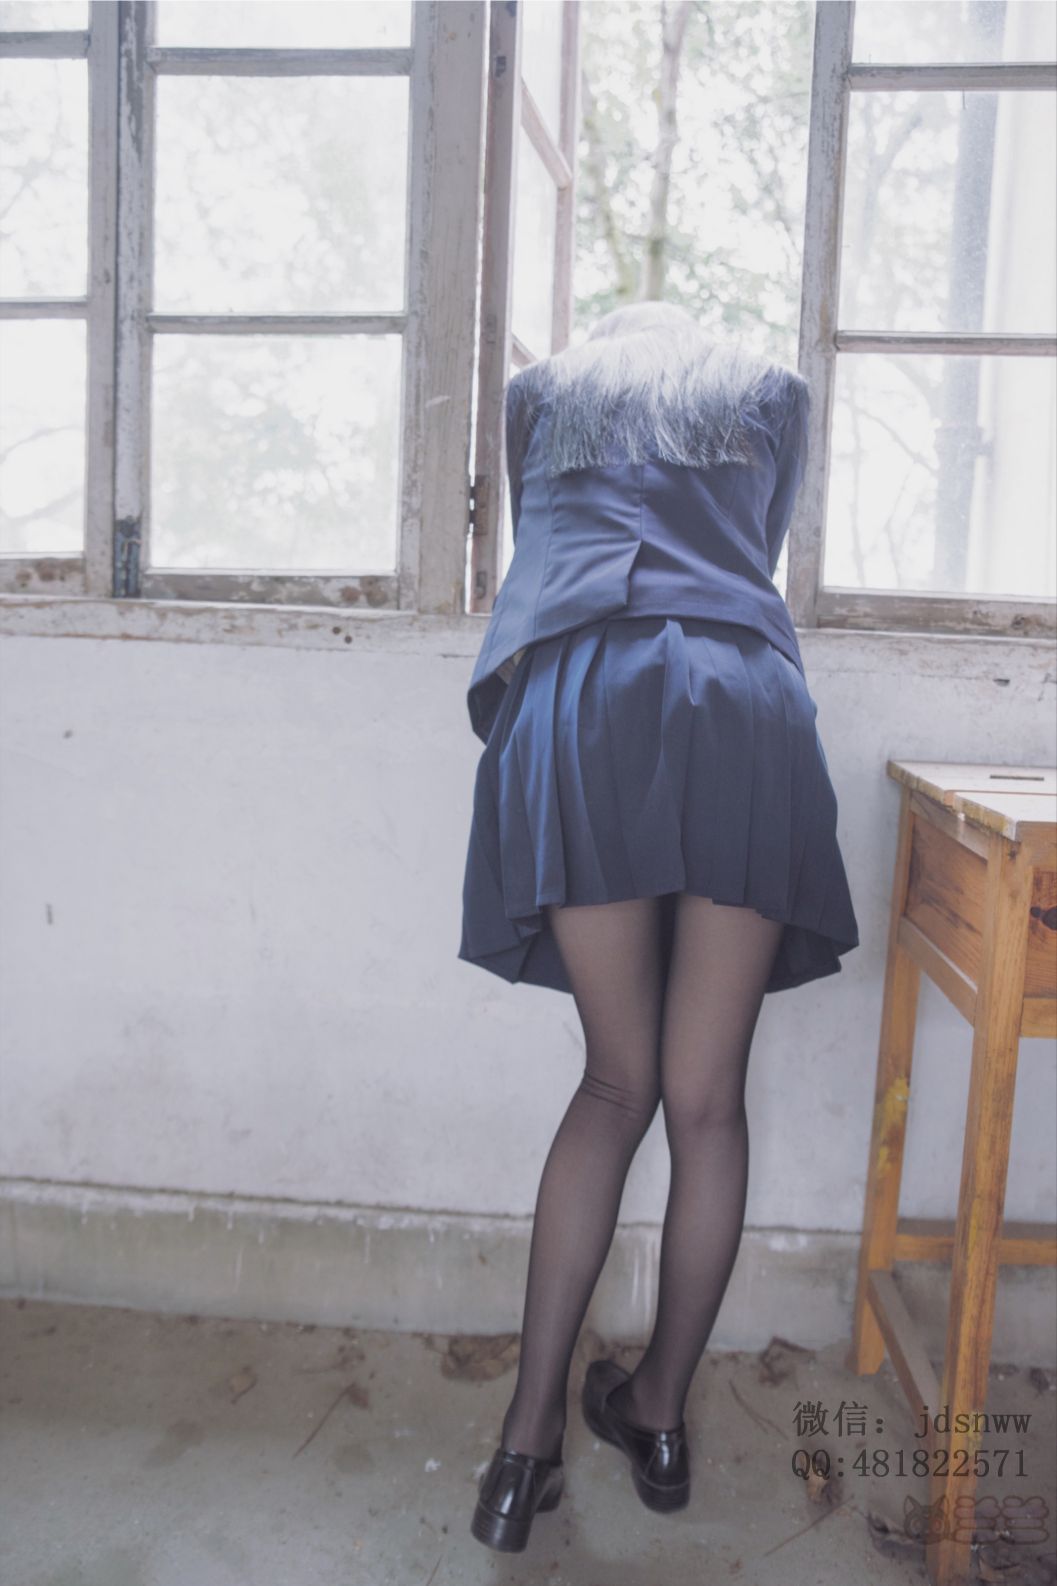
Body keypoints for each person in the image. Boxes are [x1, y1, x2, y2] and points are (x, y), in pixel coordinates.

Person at [459, 300, 859, 1554]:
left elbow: (547, 555)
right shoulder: (772, 392)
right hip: (743, 706)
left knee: (612, 1082)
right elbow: (749, 554)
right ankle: (660, 1416)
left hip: (585, 700)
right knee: (706, 1100)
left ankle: (523, 1448)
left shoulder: (538, 393)